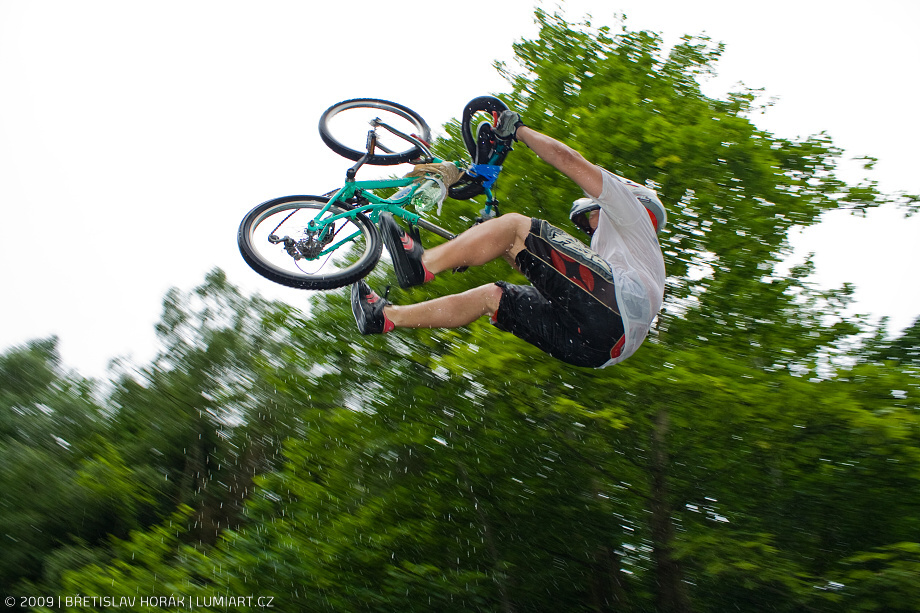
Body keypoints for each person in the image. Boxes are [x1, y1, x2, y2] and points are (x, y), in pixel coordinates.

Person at [350, 110, 666, 368]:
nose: (589, 224)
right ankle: (385, 317)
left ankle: (423, 263)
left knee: (515, 225)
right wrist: (482, 242)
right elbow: (541, 271)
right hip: (598, 351)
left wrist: (519, 130)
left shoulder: (634, 211)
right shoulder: (628, 256)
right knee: (493, 296)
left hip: (617, 309)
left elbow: (568, 159)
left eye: (593, 214)